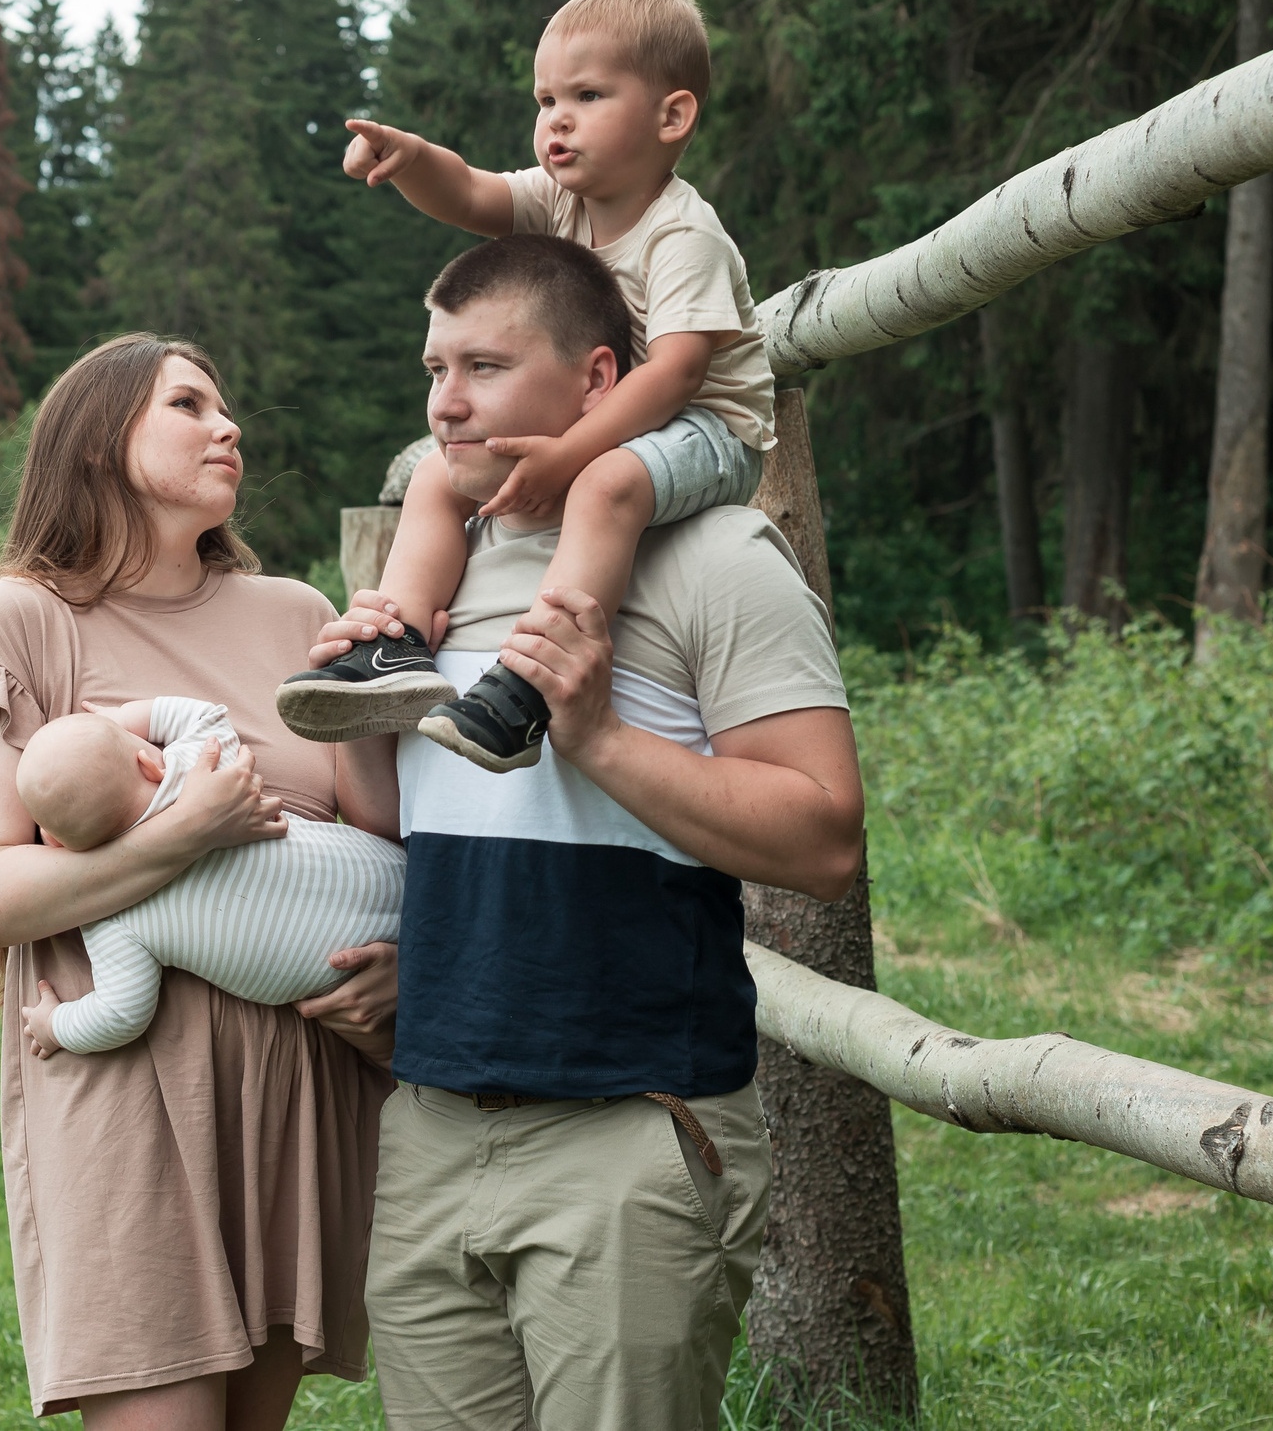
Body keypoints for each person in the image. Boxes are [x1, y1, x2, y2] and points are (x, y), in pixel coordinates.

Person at [308, 237, 865, 1431]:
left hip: (629, 1133)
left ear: (599, 378)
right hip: (431, 1128)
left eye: (485, 366)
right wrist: (364, 714)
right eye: (433, 366)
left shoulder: (716, 557)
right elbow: (409, 825)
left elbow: (824, 841)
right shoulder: (436, 569)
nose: (444, 402)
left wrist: (599, 733)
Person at [0, 334, 400, 1429]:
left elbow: (381, 836)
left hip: (295, 1084)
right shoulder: (24, 618)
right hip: (127, 1091)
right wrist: (176, 843)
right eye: (188, 405)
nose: (228, 428)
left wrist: (364, 684)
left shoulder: (291, 612)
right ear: (96, 445)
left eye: (226, 408)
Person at [277, 0, 777, 774]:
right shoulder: (560, 199)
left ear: (671, 116)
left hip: (712, 432)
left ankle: (529, 686)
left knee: (606, 484)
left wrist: (570, 451)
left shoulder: (684, 234)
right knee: (442, 474)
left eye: (587, 94)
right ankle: (395, 642)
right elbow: (474, 193)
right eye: (546, 101)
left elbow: (680, 373)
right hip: (610, 413)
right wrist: (412, 160)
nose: (557, 120)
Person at [10, 696, 405, 1059]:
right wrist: (122, 718)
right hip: (394, 879)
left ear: (54, 843)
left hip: (349, 970)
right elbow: (205, 715)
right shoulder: (198, 772)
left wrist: (55, 1026)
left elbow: (120, 1014)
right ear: (147, 762)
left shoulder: (106, 909)